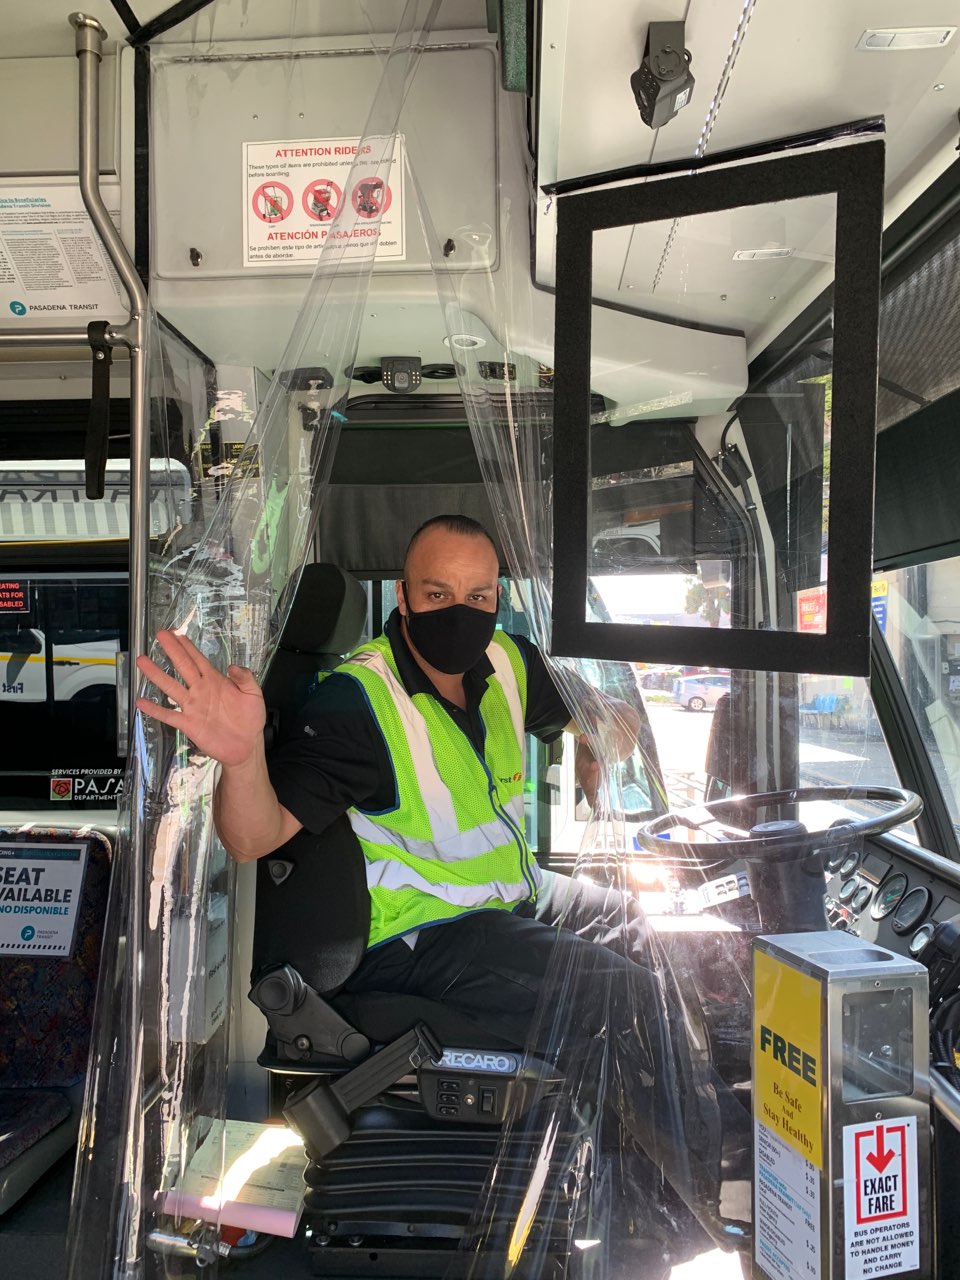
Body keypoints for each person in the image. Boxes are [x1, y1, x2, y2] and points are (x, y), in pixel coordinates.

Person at [136, 513, 734, 1243]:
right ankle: (716, 1204)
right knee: (624, 998)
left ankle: (657, 1161)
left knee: (652, 933)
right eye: (437, 593)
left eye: (479, 596)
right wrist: (240, 757)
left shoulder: (506, 662)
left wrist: (593, 736)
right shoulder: (357, 700)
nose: (461, 613)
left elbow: (594, 713)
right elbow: (252, 835)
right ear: (403, 597)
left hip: (508, 895)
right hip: (419, 931)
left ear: (497, 598)